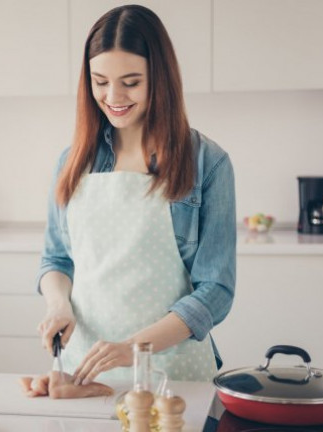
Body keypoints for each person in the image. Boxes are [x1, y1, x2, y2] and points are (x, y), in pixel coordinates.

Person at [36, 4, 236, 385]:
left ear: (159, 79)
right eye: (100, 81)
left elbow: (217, 290)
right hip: (86, 371)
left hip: (172, 376)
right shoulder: (73, 160)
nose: (113, 96)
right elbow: (57, 259)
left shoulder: (206, 162)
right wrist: (58, 304)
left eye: (131, 82)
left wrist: (133, 348)